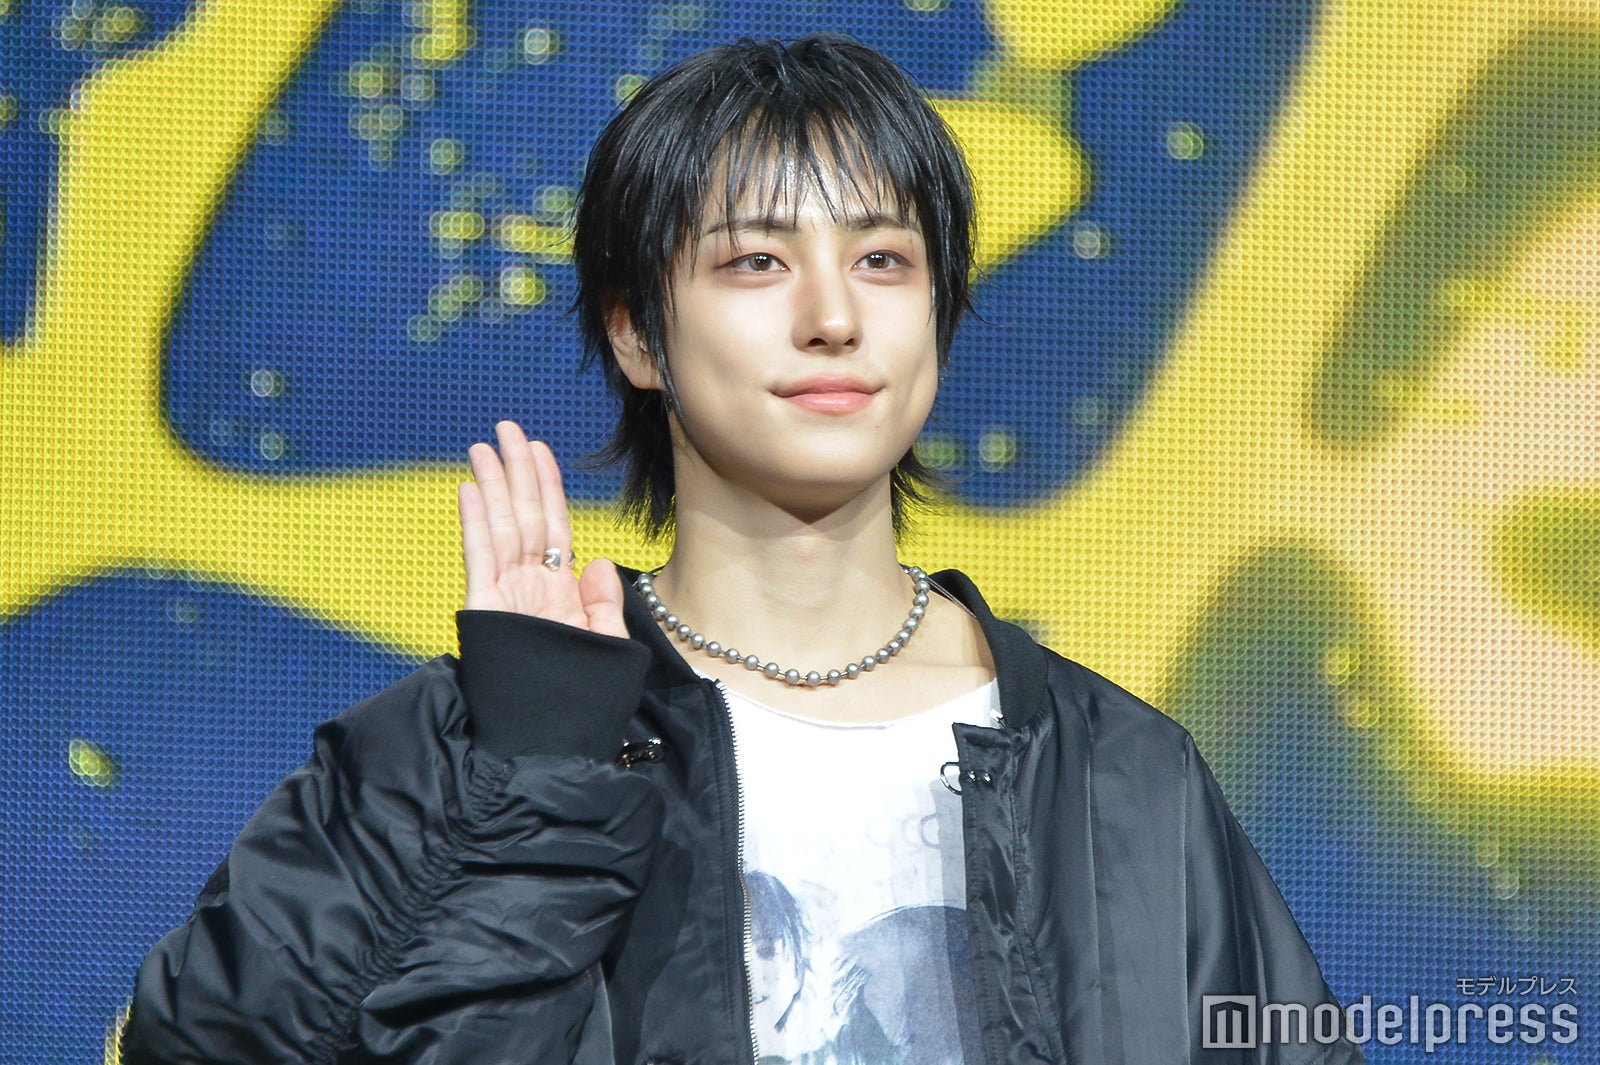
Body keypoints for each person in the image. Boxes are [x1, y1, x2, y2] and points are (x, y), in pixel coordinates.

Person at [121, 34, 1360, 1064]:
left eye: (883, 260)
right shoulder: (452, 756)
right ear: (635, 334)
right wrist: (535, 787)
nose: (832, 317)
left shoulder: (1120, 775)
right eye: (756, 261)